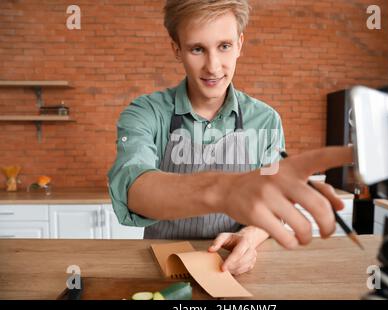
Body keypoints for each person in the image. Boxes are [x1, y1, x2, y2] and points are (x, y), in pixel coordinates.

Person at [107, 0, 353, 276]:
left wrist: (250, 236)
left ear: (239, 44)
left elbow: (273, 201)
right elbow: (133, 189)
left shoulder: (266, 120)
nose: (213, 67)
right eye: (197, 49)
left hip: (234, 267)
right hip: (163, 268)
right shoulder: (146, 113)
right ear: (177, 49)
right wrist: (222, 191)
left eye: (224, 46)